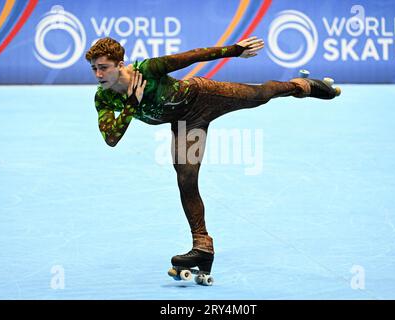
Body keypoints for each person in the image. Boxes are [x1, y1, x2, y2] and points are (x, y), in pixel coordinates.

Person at [85, 36, 340, 281]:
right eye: (94, 68)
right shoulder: (105, 97)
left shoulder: (148, 70)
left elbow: (190, 56)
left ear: (119, 65)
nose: (98, 74)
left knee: (260, 96)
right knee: (186, 179)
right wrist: (131, 103)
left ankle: (301, 86)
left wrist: (235, 50)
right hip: (186, 123)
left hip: (203, 95)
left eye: (103, 67)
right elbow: (111, 138)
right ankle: (203, 246)